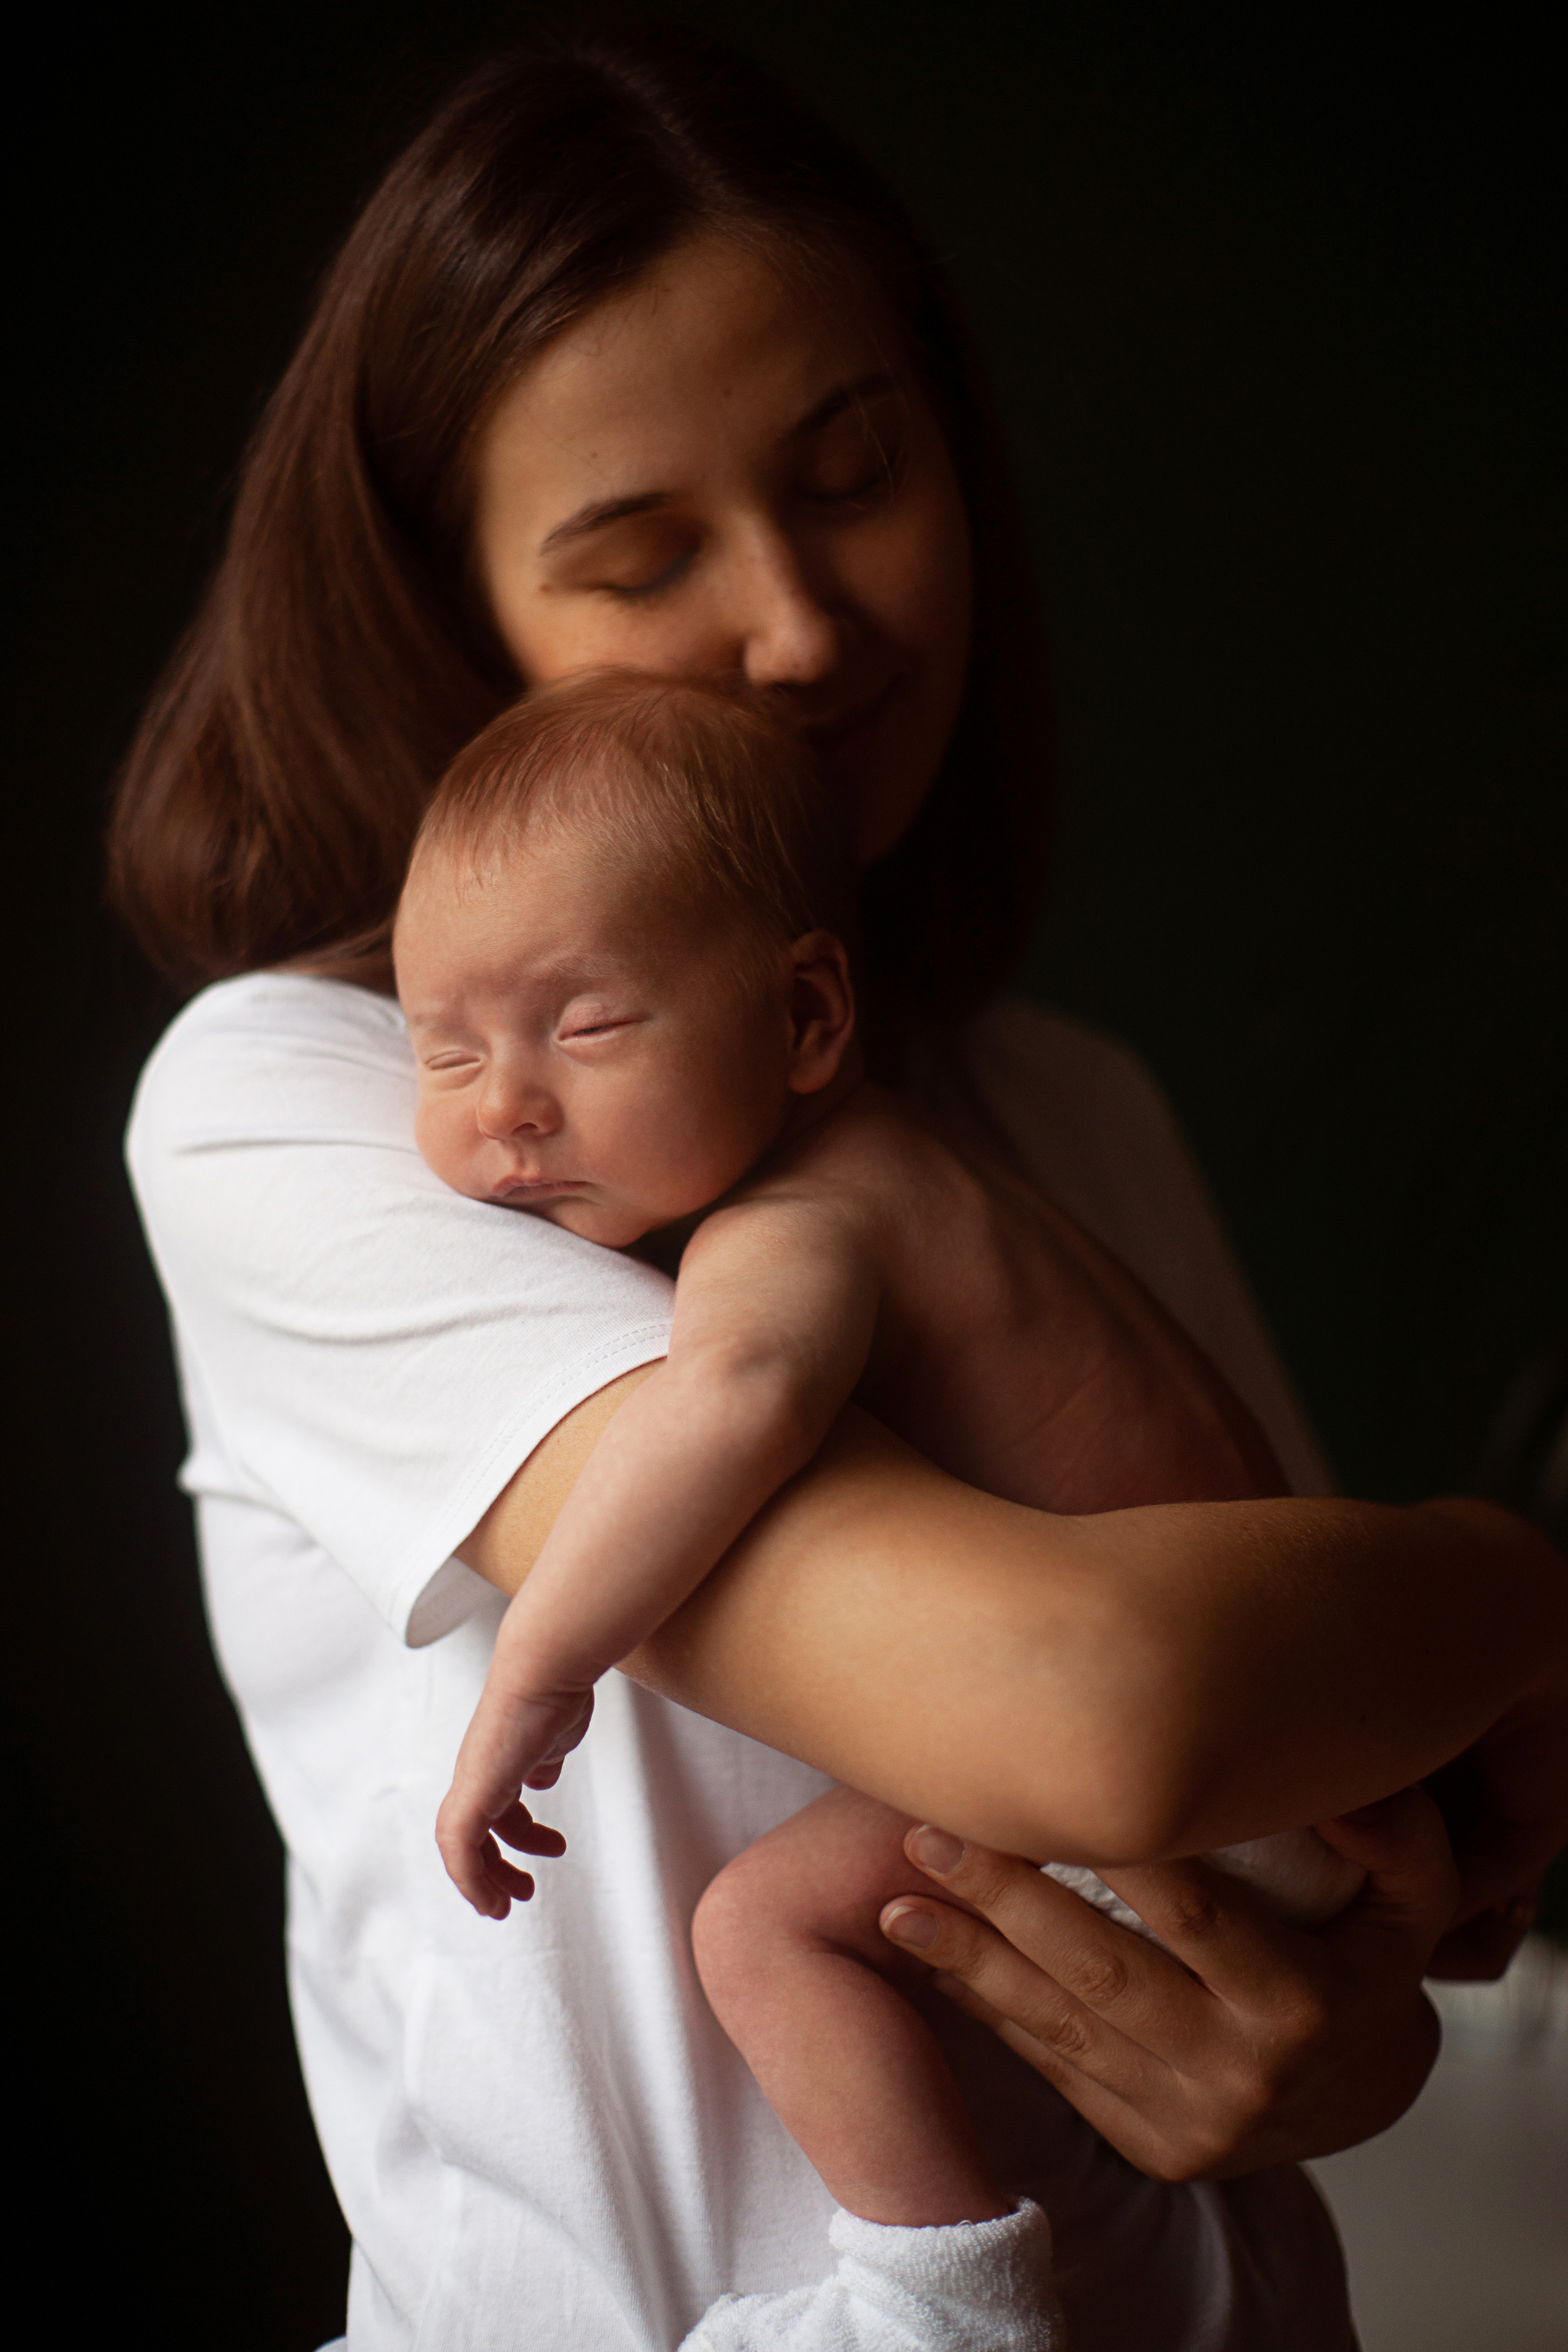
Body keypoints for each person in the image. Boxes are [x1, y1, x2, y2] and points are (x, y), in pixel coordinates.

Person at [114, 28, 1568, 2351]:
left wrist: (1339, 2045)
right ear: (458, 620)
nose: (799, 628)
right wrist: (1510, 1583)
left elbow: (1363, 1848)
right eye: (643, 553)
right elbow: (1112, 1709)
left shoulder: (1069, 1108)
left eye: (855, 473)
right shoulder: (323, 1111)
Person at [406, 667, 1368, 2350]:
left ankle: (949, 2302)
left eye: (584, 1024)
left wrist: (540, 1673)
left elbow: (734, 1403)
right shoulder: (935, 1176)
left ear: (804, 1022)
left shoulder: (801, 1221)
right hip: (1286, 1749)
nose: (506, 1106)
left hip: (1205, 1789)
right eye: (445, 1047)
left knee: (763, 1925)